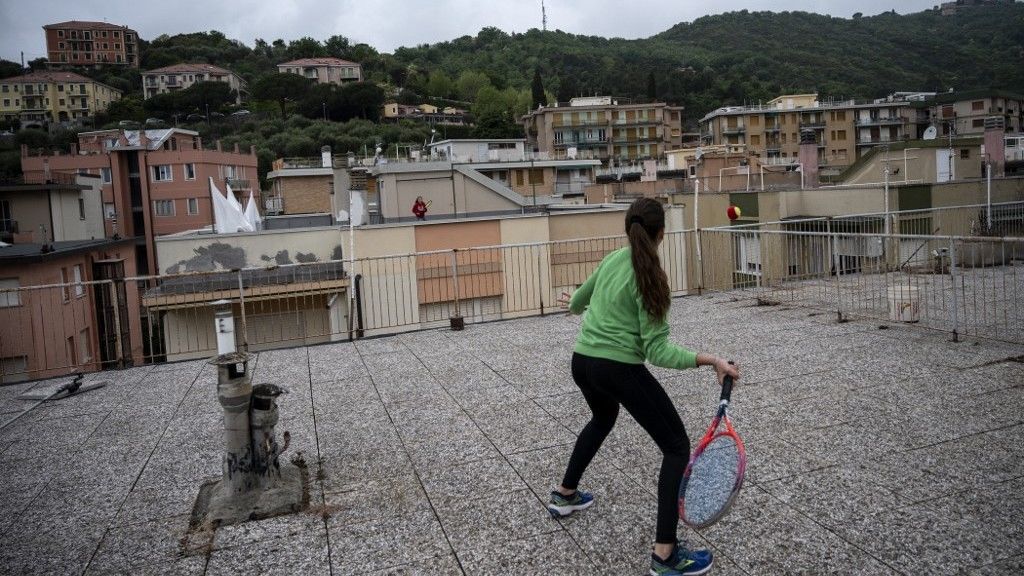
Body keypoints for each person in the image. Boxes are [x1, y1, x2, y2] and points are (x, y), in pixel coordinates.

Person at [549, 197, 739, 576]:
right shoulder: (652, 276)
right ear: (661, 234)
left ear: (628, 228)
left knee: (603, 416)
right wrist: (711, 360)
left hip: (581, 362)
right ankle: (665, 555)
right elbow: (658, 351)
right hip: (616, 368)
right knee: (676, 446)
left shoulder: (610, 261)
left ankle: (565, 495)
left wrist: (578, 301)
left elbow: (576, 305)